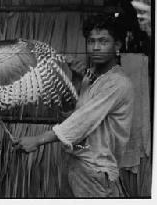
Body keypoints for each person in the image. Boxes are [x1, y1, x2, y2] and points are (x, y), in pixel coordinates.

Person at [13, 14, 134, 198]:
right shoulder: (91, 78)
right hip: (78, 165)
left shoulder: (117, 83)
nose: (96, 47)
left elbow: (82, 122)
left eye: (103, 41)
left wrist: (38, 140)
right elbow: (73, 114)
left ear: (117, 46)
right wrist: (77, 81)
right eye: (91, 41)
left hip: (96, 169)